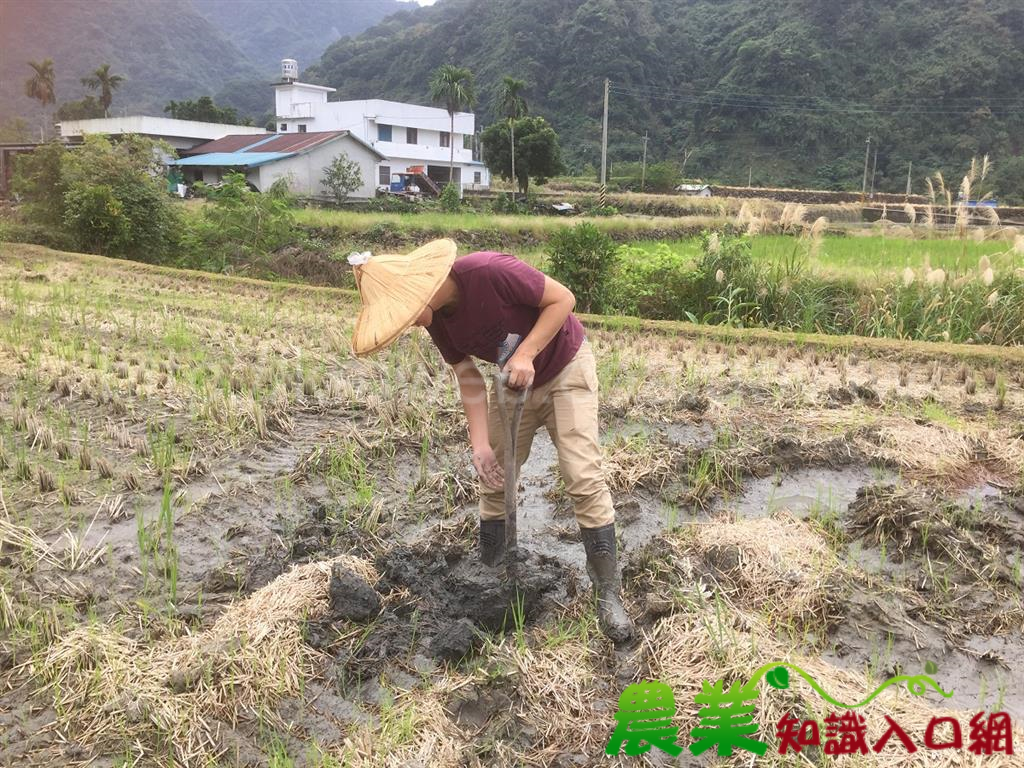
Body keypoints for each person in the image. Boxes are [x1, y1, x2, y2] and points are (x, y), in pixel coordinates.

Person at [349, 239, 633, 643]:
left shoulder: (487, 272)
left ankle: (608, 594)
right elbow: (467, 376)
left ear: (423, 289)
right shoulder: (436, 319)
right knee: (493, 477)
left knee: (581, 474)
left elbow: (562, 300)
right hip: (512, 383)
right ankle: (494, 571)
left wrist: (527, 354)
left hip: (564, 368)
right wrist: (479, 444)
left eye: (408, 314)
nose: (413, 322)